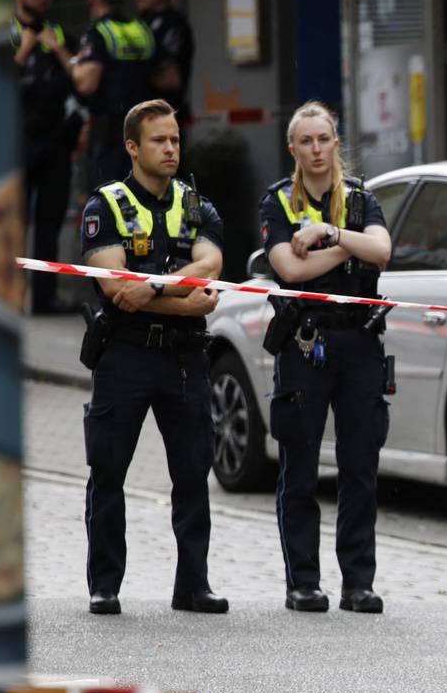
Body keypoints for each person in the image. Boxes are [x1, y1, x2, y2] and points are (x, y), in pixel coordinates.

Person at [77, 99, 226, 615]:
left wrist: (160, 290)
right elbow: (118, 288)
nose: (171, 149)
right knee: (108, 472)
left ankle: (193, 585)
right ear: (132, 147)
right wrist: (184, 299)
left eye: (176, 139)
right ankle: (105, 585)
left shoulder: (196, 204)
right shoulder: (106, 206)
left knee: (193, 473)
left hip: (184, 357)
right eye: (160, 140)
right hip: (126, 355)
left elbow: (211, 263)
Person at [258, 102, 393, 614]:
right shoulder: (277, 202)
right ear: (292, 149)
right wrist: (345, 248)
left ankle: (358, 583)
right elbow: (290, 271)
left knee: (360, 468)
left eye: (324, 139)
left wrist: (328, 235)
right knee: (301, 469)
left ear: (337, 143)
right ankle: (304, 583)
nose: (316, 149)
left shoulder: (360, 199)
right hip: (304, 346)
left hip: (359, 345)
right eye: (306, 142)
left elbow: (382, 252)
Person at [11, 0, 85, 314]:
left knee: (49, 222)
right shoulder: (7, 33)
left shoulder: (58, 34)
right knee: (14, 222)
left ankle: (44, 297)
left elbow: (82, 80)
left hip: (55, 140)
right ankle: (8, 295)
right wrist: (23, 51)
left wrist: (57, 51)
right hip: (16, 140)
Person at [71, 0, 153, 188]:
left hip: (110, 137)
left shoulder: (99, 33)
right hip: (144, 133)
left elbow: (86, 84)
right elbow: (162, 76)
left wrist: (72, 64)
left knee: (108, 204)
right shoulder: (141, 30)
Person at [134, 0, 194, 125]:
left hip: (163, 118)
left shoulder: (173, 24)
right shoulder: (140, 23)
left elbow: (171, 79)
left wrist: (130, 78)